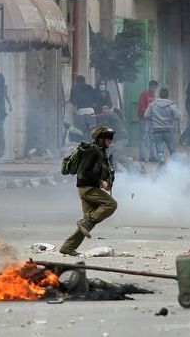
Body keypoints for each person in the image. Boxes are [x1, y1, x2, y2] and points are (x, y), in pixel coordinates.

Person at [60, 126, 118, 256]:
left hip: (90, 188)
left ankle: (68, 247)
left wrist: (106, 182)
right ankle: (83, 222)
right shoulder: (91, 151)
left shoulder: (101, 151)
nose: (111, 142)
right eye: (108, 140)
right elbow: (83, 172)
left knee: (89, 224)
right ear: (101, 139)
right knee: (111, 204)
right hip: (87, 188)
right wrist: (100, 182)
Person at [144, 88, 181, 164]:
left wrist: (154, 117)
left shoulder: (153, 104)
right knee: (172, 149)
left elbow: (146, 115)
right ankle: (177, 166)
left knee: (159, 150)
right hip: (168, 130)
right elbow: (178, 116)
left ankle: (161, 163)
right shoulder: (171, 105)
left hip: (156, 130)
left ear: (159, 95)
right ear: (168, 95)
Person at [137, 80, 159, 162]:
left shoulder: (153, 95)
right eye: (154, 87)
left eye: (156, 88)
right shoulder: (144, 94)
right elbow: (141, 106)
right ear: (150, 87)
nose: (154, 89)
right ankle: (142, 157)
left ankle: (153, 156)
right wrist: (147, 114)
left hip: (151, 119)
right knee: (143, 138)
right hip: (144, 119)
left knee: (152, 138)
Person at [70, 75, 96, 141]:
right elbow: (94, 98)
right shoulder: (89, 87)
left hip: (80, 112)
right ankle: (94, 147)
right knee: (92, 132)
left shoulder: (74, 88)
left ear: (76, 81)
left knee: (82, 132)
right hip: (90, 111)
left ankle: (85, 148)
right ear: (85, 81)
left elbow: (72, 100)